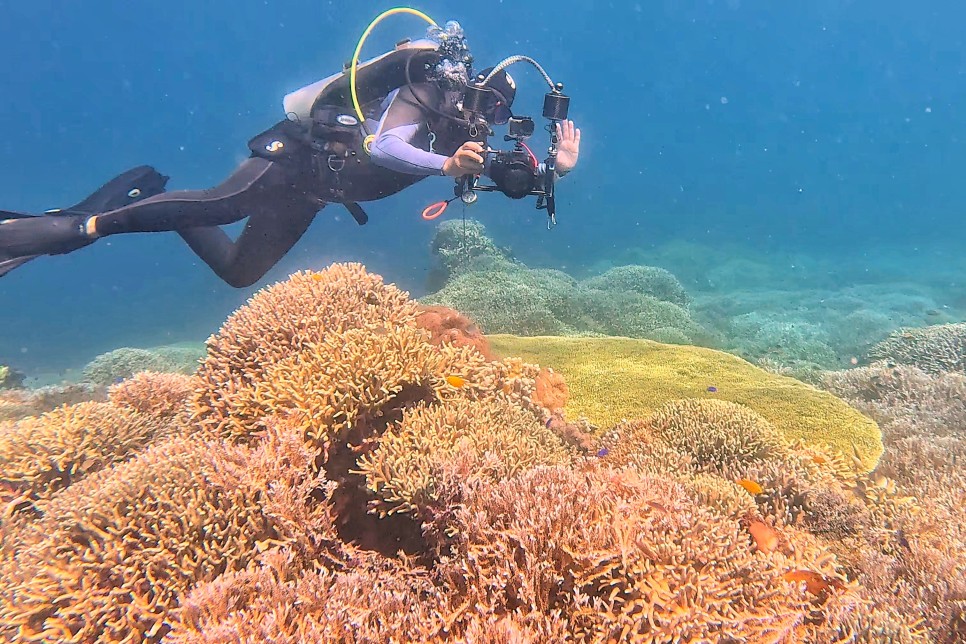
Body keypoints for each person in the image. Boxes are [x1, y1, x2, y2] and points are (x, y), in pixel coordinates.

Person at [0, 21, 581, 287]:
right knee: (221, 206)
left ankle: (147, 193)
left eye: (502, 117)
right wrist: (447, 166)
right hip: (294, 158)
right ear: (473, 86)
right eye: (491, 108)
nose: (492, 121)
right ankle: (82, 225)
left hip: (315, 192)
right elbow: (384, 145)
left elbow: (504, 174)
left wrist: (549, 171)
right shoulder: (425, 91)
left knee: (238, 272)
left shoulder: (462, 133)